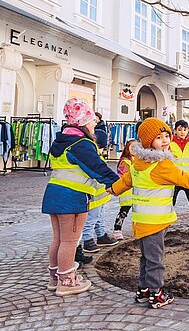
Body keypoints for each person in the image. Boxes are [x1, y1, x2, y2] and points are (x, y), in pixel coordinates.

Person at [109, 117, 189, 309]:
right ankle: (156, 294)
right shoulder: (162, 165)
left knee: (146, 256)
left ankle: (143, 289)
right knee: (155, 259)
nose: (164, 140)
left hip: (141, 220)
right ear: (148, 142)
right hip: (155, 221)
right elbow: (187, 179)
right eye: (159, 137)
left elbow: (126, 181)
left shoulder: (139, 163)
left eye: (166, 136)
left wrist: (113, 189)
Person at [41, 98, 118, 296]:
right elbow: (96, 167)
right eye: (92, 120)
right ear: (83, 121)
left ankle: (55, 277)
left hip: (53, 195)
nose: (94, 124)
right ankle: (66, 282)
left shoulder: (61, 141)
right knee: (69, 241)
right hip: (72, 199)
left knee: (58, 239)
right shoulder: (81, 143)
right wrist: (117, 183)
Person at [81, 129, 119, 253]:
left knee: (99, 216)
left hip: (100, 195)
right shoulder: (94, 157)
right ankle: (88, 240)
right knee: (92, 217)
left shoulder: (96, 156)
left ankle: (101, 235)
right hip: (94, 195)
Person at [112, 139, 138, 240]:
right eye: (132, 147)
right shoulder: (125, 161)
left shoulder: (138, 160)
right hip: (127, 192)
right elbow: (124, 177)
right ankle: (117, 230)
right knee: (123, 212)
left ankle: (137, 229)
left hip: (136, 192)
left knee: (137, 212)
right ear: (127, 148)